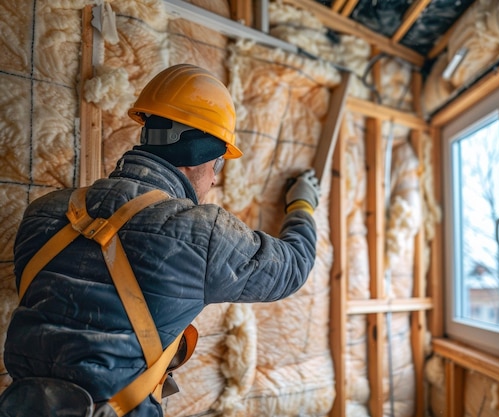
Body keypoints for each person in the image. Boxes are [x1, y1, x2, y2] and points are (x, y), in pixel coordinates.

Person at [2, 64, 320, 417]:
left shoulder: (43, 213)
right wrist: (302, 204)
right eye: (219, 165)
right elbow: (293, 266)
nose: (214, 181)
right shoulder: (200, 232)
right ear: (198, 155)